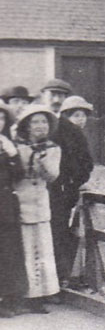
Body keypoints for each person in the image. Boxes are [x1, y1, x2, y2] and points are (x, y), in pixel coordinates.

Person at [40, 80, 93, 288]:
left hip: (59, 196)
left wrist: (70, 184)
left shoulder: (72, 130)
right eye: (52, 94)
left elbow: (85, 163)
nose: (55, 99)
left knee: (57, 237)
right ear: (43, 95)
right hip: (28, 195)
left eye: (61, 96)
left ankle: (54, 287)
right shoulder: (29, 123)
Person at [12, 104, 62, 313]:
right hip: (20, 203)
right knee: (23, 251)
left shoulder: (52, 149)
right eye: (35, 122)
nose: (40, 126)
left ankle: (39, 296)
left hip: (40, 204)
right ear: (26, 126)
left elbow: (53, 176)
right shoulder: (16, 147)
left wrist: (42, 162)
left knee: (42, 252)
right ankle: (21, 295)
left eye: (44, 121)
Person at [0, 103, 27, 317]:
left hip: (5, 204)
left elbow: (19, 174)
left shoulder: (7, 144)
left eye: (1, 119)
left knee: (8, 252)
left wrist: (12, 155)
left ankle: (7, 300)